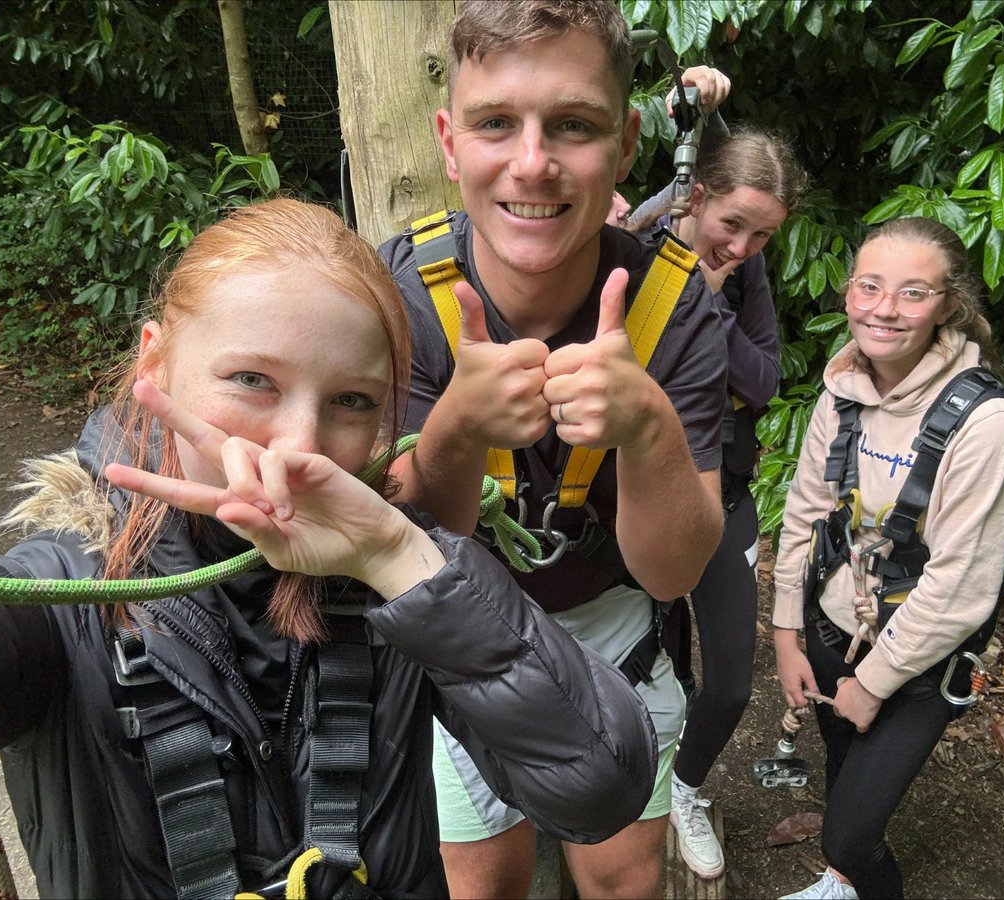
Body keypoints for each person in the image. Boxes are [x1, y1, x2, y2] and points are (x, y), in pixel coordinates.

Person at [0, 198, 661, 899]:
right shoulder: (59, 592)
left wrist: (395, 557)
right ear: (154, 362)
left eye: (351, 402)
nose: (298, 448)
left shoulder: (396, 569)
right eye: (253, 381)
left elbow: (603, 787)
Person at [378, 2, 728, 897]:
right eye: (498, 123)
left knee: (622, 879)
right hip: (457, 628)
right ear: (451, 143)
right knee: (481, 882)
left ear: (624, 145)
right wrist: (457, 425)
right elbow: (404, 549)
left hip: (612, 626)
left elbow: (673, 571)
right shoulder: (400, 295)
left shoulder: (672, 304)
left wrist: (646, 426)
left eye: (572, 125)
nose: (532, 162)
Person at [770, 217, 1004, 899]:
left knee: (851, 833)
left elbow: (961, 584)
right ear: (849, 292)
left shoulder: (986, 424)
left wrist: (874, 682)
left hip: (917, 658)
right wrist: (786, 634)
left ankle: (848, 867)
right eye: (870, 286)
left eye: (913, 293)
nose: (884, 309)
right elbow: (806, 510)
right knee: (840, 765)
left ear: (950, 305)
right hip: (833, 627)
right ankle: (838, 884)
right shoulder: (845, 388)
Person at [624, 66, 811, 880]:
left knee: (730, 683)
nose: (741, 247)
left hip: (724, 494)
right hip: (627, 499)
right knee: (650, 670)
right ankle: (627, 791)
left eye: (762, 236)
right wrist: (673, 98)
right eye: (733, 224)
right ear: (696, 195)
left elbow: (764, 381)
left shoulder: (743, 273)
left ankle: (688, 788)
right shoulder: (636, 240)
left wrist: (710, 298)